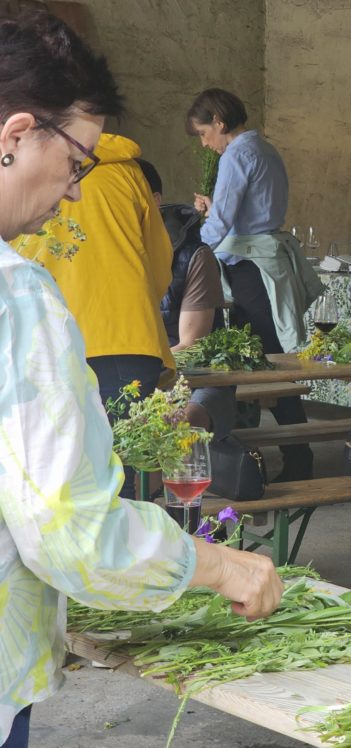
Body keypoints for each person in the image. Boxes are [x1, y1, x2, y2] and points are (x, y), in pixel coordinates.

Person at [0, 13, 282, 746]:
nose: (71, 193)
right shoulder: (16, 296)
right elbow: (73, 530)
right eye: (76, 163)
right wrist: (219, 567)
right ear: (15, 135)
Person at [16, 132, 174, 499]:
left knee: (45, 473)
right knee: (121, 472)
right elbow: (160, 261)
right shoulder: (128, 171)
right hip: (127, 335)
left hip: (41, 336)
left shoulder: (23, 164)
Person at [188, 88, 324, 482]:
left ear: (218, 120)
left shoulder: (237, 154)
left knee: (271, 363)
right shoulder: (263, 148)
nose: (205, 143)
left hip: (252, 264)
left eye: (203, 133)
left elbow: (225, 219)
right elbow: (245, 211)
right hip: (262, 256)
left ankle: (297, 458)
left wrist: (192, 247)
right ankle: (287, 453)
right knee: (267, 360)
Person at [136, 157, 236, 441]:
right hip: (132, 378)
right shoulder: (108, 254)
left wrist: (138, 374)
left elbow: (190, 345)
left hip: (194, 380)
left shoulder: (194, 256)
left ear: (154, 200)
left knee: (174, 426)